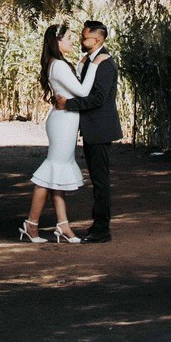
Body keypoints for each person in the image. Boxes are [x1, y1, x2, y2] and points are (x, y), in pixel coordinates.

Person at [20, 23, 104, 244]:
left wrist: (82, 63)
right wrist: (95, 63)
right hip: (62, 124)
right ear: (57, 42)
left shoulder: (58, 64)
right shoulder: (57, 65)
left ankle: (63, 225)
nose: (71, 42)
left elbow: (72, 87)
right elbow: (83, 91)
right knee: (49, 174)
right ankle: (31, 224)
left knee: (56, 174)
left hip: (66, 122)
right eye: (67, 38)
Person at [56, 19, 121, 243]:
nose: (82, 40)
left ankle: (102, 229)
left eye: (84, 37)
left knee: (101, 181)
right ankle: (99, 226)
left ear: (97, 40)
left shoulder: (105, 64)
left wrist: (68, 105)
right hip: (93, 128)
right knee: (97, 179)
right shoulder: (90, 60)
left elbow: (97, 99)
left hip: (101, 129)